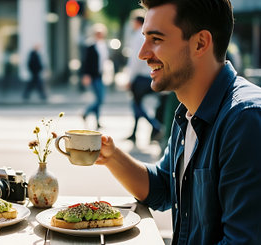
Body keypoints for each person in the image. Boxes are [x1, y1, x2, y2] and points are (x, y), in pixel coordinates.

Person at [96, 0, 261, 244]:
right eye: (144, 38)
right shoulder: (188, 112)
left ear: (200, 43)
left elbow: (242, 241)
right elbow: (163, 186)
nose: (142, 54)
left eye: (156, 39)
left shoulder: (244, 119)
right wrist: (110, 155)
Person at [125, 10, 162, 143]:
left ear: (136, 22)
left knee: (137, 105)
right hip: (147, 75)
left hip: (140, 77)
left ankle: (156, 127)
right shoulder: (145, 35)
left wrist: (129, 78)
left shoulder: (138, 36)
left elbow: (135, 60)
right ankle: (135, 133)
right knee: (137, 104)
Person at [81, 23, 109, 129]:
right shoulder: (90, 46)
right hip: (93, 75)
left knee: (98, 98)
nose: (99, 35)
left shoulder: (103, 45)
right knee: (100, 99)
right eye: (97, 33)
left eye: (101, 33)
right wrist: (85, 75)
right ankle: (86, 113)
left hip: (101, 74)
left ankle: (97, 121)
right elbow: (86, 62)